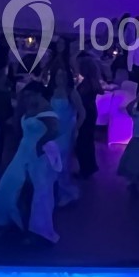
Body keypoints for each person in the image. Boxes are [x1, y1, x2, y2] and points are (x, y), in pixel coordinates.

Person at [0, 82, 62, 244]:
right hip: (24, 151)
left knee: (39, 192)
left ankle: (38, 231)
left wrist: (40, 144)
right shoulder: (29, 107)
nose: (26, 98)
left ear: (38, 93)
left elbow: (55, 130)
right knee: (8, 185)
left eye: (29, 95)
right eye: (25, 95)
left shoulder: (46, 109)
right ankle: (8, 222)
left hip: (39, 155)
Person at [47, 64, 84, 206]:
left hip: (66, 132)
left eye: (62, 75)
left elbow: (83, 113)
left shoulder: (71, 92)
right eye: (57, 75)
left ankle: (65, 192)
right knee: (50, 161)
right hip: (53, 131)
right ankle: (54, 191)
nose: (59, 78)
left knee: (61, 162)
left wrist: (75, 129)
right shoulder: (52, 90)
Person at [73, 56, 102, 178]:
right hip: (91, 112)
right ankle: (89, 167)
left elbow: (81, 100)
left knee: (83, 141)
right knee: (88, 141)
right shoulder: (93, 81)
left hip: (86, 113)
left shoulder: (87, 83)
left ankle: (85, 170)